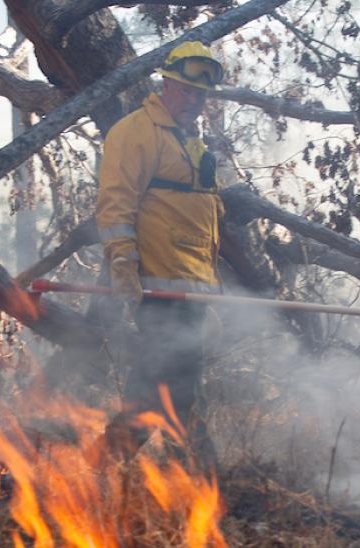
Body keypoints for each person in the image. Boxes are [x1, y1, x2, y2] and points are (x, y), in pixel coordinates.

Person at [95, 41, 225, 466]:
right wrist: (122, 263)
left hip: (189, 286)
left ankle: (188, 474)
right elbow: (116, 203)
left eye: (200, 94)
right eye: (186, 89)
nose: (193, 100)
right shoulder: (137, 131)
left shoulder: (190, 142)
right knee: (160, 382)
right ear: (166, 83)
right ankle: (106, 465)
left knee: (177, 383)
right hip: (157, 283)